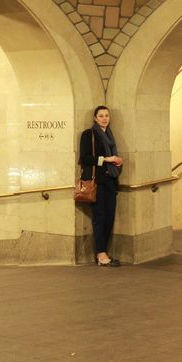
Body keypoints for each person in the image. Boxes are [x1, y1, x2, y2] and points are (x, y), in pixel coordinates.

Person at [79, 105, 123, 267]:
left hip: (111, 180)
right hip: (97, 181)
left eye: (107, 116)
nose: (104, 118)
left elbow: (112, 157)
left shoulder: (110, 136)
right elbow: (85, 158)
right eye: (101, 116)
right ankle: (101, 254)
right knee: (99, 217)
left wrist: (117, 160)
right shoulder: (89, 134)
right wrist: (106, 159)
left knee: (110, 216)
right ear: (95, 118)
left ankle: (104, 251)